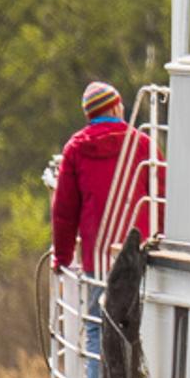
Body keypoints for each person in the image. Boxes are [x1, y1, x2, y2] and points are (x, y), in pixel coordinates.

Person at [46, 81, 132, 273]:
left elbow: (64, 212)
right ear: (114, 109)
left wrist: (62, 259)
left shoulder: (75, 149)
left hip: (98, 261)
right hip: (138, 262)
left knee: (99, 303)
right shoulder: (141, 144)